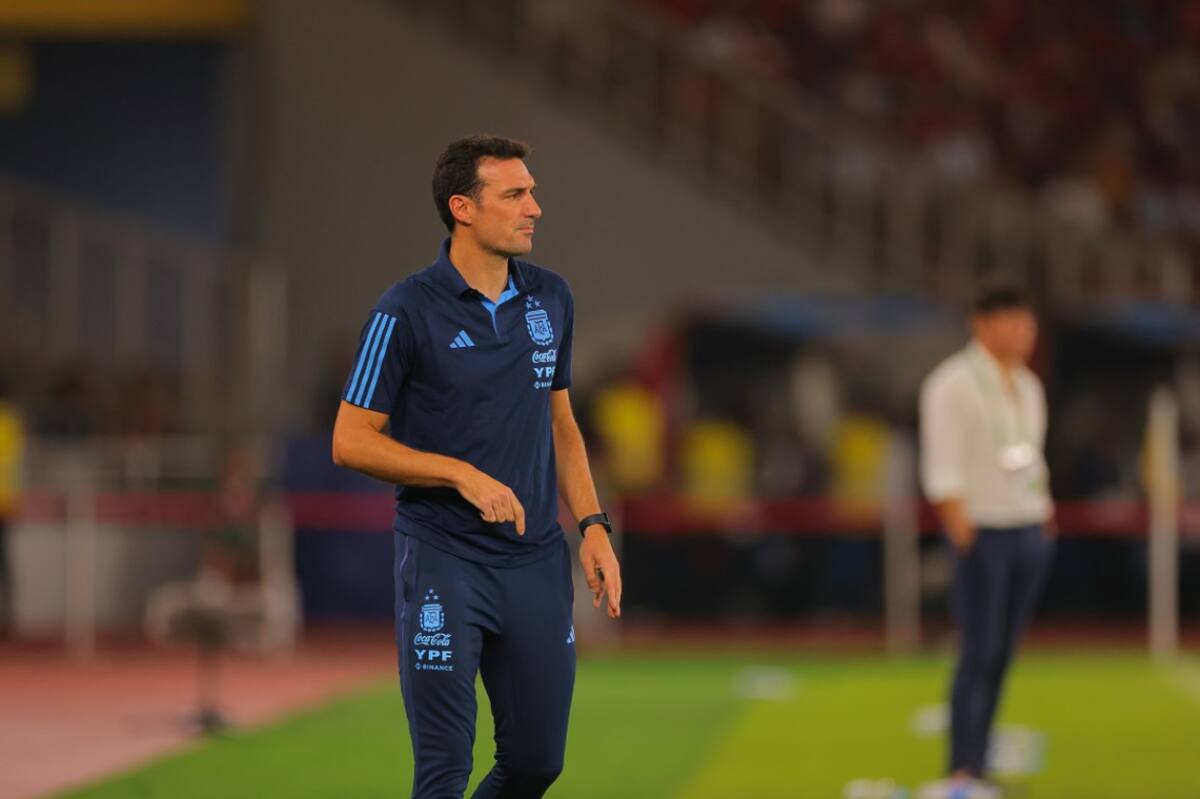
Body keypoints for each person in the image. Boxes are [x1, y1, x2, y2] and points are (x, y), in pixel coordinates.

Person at [332, 135, 622, 799]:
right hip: (443, 558)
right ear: (463, 207)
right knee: (443, 772)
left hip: (534, 560)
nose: (535, 208)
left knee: (537, 761)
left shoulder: (552, 298)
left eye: (533, 191)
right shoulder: (403, 311)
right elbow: (350, 439)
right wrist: (460, 473)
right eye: (516, 194)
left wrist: (594, 525)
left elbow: (562, 425)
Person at [919, 283, 1055, 791]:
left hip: (1027, 527)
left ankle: (982, 758)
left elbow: (1030, 459)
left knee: (1003, 652)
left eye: (1030, 322)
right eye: (1014, 321)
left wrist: (1043, 518)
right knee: (978, 649)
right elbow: (943, 470)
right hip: (984, 532)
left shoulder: (1028, 385)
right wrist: (965, 535)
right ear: (982, 323)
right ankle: (962, 766)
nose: (1026, 332)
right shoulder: (952, 384)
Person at [0, 372, 25, 632]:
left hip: (4, 503)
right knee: (5, 565)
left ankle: (9, 617)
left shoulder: (8, 420)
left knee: (5, 565)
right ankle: (9, 617)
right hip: (5, 503)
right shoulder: (10, 420)